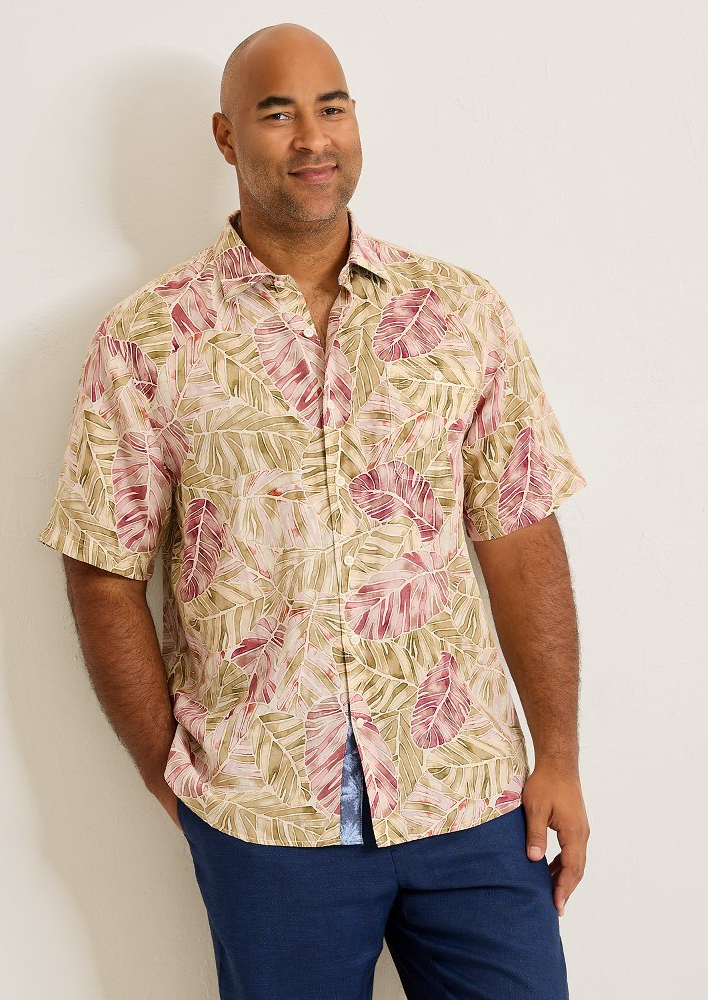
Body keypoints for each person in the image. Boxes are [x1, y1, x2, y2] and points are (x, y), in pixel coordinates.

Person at [37, 21, 590, 1000]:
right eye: (276, 112)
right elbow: (101, 569)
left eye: (330, 107)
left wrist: (559, 756)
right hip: (265, 820)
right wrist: (171, 774)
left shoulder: (460, 313)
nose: (311, 138)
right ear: (225, 136)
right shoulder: (148, 339)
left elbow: (520, 536)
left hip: (468, 797)